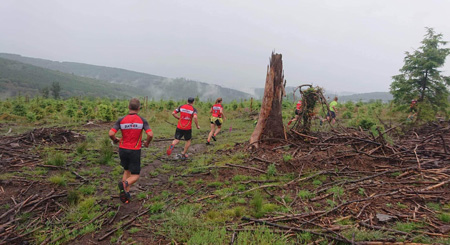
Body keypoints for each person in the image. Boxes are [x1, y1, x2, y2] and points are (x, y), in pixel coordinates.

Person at [109, 98, 153, 204]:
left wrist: (115, 140)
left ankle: (126, 194)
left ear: (129, 107)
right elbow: (150, 134)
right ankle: (125, 184)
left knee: (126, 170)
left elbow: (111, 133)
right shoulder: (142, 120)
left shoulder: (121, 120)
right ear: (139, 108)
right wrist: (147, 143)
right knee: (135, 175)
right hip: (134, 150)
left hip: (123, 149)